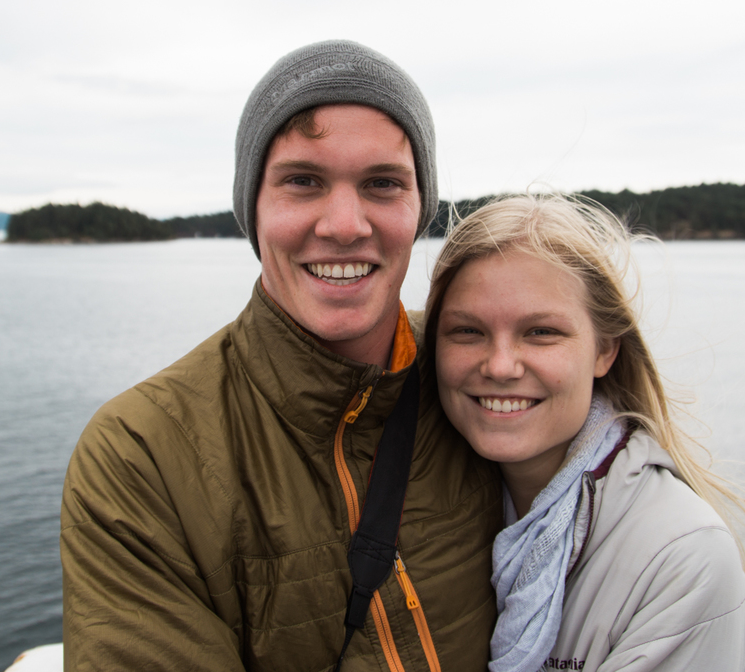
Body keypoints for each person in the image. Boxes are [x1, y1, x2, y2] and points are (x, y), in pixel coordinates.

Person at [61, 40, 502, 671]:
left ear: (418, 211)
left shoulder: (481, 381)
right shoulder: (143, 454)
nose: (345, 224)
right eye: (303, 181)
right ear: (254, 209)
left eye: (382, 184)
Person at [425, 194, 745, 672]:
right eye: (467, 332)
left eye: (541, 332)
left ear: (604, 351)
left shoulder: (681, 560)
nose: (501, 365)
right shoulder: (429, 510)